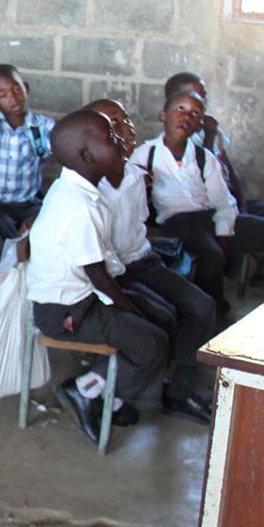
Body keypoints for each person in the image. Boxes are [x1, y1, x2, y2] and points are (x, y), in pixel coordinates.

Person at [27, 111, 170, 447]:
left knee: (162, 317)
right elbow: (97, 274)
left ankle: (116, 398)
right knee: (150, 340)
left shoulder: (81, 189)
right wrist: (129, 308)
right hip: (65, 311)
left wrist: (131, 306)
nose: (121, 142)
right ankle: (84, 390)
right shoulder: (78, 208)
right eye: (110, 138)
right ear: (88, 156)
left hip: (83, 297)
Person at [89, 99, 216, 426]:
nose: (125, 128)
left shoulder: (134, 174)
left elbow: (139, 230)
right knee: (160, 317)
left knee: (202, 307)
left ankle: (179, 392)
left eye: (126, 120)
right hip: (110, 271)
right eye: (112, 123)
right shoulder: (90, 184)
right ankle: (114, 394)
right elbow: (94, 256)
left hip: (141, 259)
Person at [148, 89, 264, 314]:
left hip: (211, 215)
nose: (187, 116)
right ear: (163, 115)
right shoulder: (147, 154)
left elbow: (223, 199)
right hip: (179, 222)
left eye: (196, 112)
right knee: (212, 255)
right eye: (181, 109)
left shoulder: (207, 153)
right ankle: (214, 311)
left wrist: (225, 232)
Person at [163, 71, 264, 266]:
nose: (201, 102)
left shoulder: (210, 130)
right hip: (202, 213)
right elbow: (200, 180)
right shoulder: (174, 138)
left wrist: (242, 205)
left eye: (203, 96)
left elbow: (229, 170)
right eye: (194, 97)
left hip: (228, 201)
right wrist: (209, 138)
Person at [0, 64, 54, 269]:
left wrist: (35, 216)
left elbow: (68, 161)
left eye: (16, 89)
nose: (12, 98)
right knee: (8, 247)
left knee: (38, 238)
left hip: (27, 205)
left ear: (26, 89)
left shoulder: (43, 128)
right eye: (3, 95)